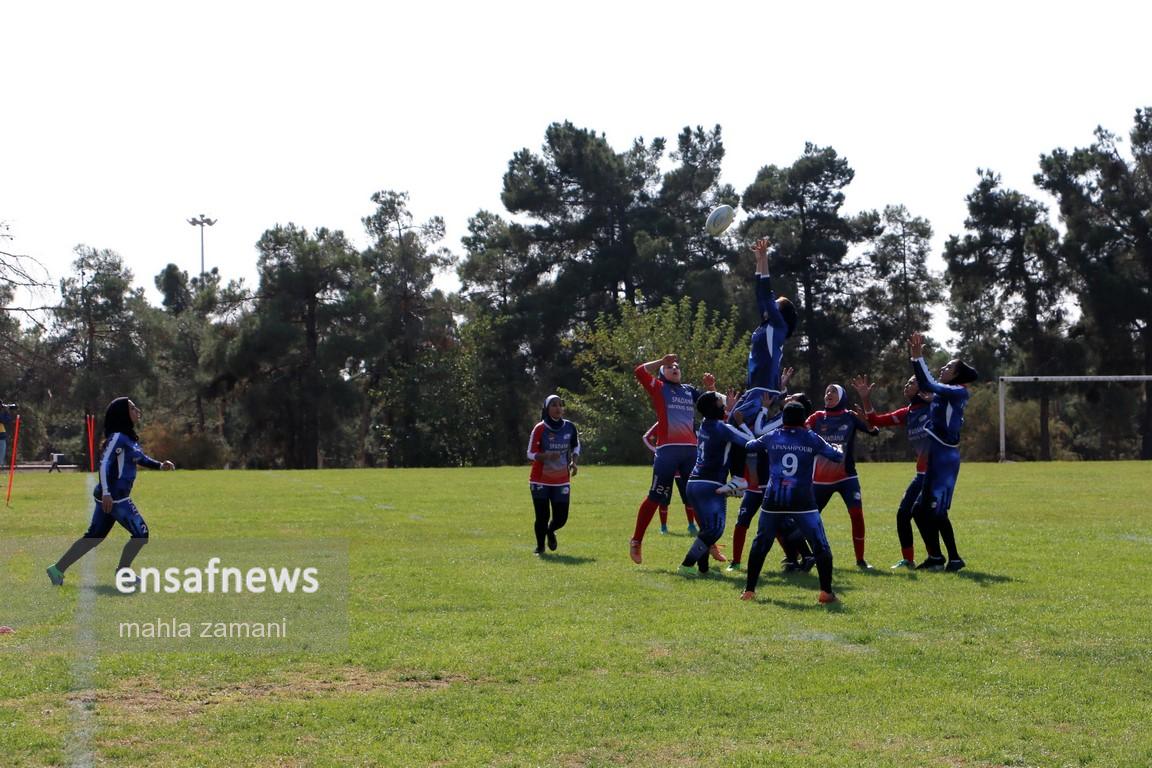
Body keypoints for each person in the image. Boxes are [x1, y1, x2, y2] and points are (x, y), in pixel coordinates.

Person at [45, 397, 175, 587]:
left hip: (111, 497)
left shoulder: (128, 438)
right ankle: (123, 573)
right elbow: (104, 463)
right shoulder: (118, 437)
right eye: (132, 408)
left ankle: (57, 569)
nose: (137, 410)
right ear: (123, 414)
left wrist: (160, 465)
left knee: (94, 537)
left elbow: (139, 458)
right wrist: (107, 492)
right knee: (141, 534)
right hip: (115, 498)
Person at [740, 401, 845, 604]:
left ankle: (749, 590)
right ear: (803, 419)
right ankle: (826, 593)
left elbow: (750, 446)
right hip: (803, 500)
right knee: (820, 544)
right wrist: (837, 447)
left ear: (783, 418)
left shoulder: (773, 436)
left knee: (761, 543)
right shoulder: (811, 437)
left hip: (774, 499)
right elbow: (836, 456)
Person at [723, 237, 798, 494]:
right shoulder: (766, 325)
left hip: (761, 388)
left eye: (776, 303)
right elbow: (762, 294)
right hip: (757, 387)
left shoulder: (778, 325)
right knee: (735, 425)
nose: (771, 303)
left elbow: (764, 292)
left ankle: (742, 477)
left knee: (733, 425)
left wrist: (764, 258)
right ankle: (747, 478)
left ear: (780, 312)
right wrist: (759, 260)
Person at [630, 354, 715, 564]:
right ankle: (636, 541)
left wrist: (711, 388)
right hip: (667, 451)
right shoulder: (659, 387)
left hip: (691, 452)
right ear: (662, 373)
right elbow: (639, 371)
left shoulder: (689, 390)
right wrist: (661, 361)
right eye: (669, 367)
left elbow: (713, 408)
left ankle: (709, 543)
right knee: (656, 496)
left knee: (696, 497)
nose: (674, 368)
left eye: (676, 366)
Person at [908, 332, 978, 572]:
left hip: (945, 459)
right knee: (919, 511)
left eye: (948, 367)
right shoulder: (948, 392)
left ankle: (954, 559)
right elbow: (937, 398)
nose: (943, 368)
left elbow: (928, 384)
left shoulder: (957, 390)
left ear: (956, 375)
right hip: (937, 456)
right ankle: (936, 557)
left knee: (936, 512)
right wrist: (933, 399)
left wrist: (917, 358)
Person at [852, 374, 934, 570]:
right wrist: (865, 398)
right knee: (903, 514)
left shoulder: (935, 408)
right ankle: (909, 560)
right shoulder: (908, 412)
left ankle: (935, 557)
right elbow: (875, 421)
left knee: (926, 515)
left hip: (936, 474)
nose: (907, 384)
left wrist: (935, 397)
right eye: (907, 382)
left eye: (912, 382)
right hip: (921, 475)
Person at [806, 384, 880, 569]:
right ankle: (806, 556)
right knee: (807, 518)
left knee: (857, 515)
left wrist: (867, 421)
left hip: (847, 477)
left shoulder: (850, 416)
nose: (828, 394)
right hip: (820, 479)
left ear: (841, 396)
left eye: (833, 391)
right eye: (827, 391)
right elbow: (799, 431)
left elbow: (874, 431)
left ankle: (861, 560)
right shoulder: (817, 417)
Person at [677, 392, 748, 575]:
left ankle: (703, 569)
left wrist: (730, 410)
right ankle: (686, 565)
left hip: (694, 483)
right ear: (713, 407)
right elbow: (749, 442)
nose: (723, 405)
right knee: (715, 529)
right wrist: (742, 423)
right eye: (720, 403)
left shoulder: (705, 424)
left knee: (706, 529)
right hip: (710, 484)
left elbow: (723, 426)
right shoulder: (721, 427)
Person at [526, 395, 581, 555]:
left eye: (560, 405)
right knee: (542, 516)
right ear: (547, 409)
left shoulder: (569, 427)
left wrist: (574, 462)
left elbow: (576, 446)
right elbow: (530, 453)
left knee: (561, 518)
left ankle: (550, 531)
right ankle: (540, 548)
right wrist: (546, 456)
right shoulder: (540, 428)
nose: (558, 408)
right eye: (554, 405)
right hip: (540, 479)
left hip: (561, 480)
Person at [642, 423, 697, 535]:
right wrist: (657, 451)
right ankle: (663, 527)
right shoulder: (661, 423)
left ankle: (691, 525)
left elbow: (696, 441)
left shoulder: (686, 423)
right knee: (663, 499)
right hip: (667, 469)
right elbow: (646, 438)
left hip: (683, 471)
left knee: (689, 498)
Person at [0, 403, 14, 469]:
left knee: (1, 459)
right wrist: (6, 411)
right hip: (1, 437)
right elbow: (5, 420)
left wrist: (6, 411)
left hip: (2, 437)